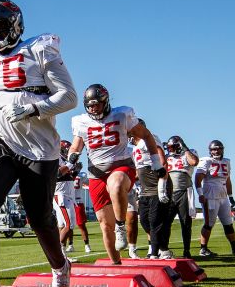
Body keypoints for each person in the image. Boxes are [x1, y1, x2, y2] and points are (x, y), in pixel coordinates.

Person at [0, 0, 79, 287]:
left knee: (40, 216)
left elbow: (69, 97)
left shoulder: (39, 49)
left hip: (38, 146)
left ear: (16, 24)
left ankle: (60, 266)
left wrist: (33, 108)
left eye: (1, 27)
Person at [68, 84, 163, 265]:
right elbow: (76, 146)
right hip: (96, 174)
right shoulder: (80, 121)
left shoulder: (121, 115)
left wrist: (156, 162)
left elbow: (147, 136)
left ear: (106, 102)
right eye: (90, 105)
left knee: (117, 183)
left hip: (122, 166)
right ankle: (116, 263)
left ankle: (121, 226)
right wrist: (70, 161)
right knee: (105, 225)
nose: (93, 109)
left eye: (96, 104)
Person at [195, 139, 235, 257]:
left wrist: (231, 196)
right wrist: (200, 194)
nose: (216, 151)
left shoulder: (226, 161)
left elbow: (228, 180)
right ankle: (203, 249)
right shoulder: (206, 161)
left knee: (228, 223)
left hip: (223, 196)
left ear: (222, 149)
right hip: (210, 196)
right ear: (210, 151)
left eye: (218, 148)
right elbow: (198, 178)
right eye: (214, 149)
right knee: (209, 224)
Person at [157, 135, 199, 258]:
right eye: (169, 147)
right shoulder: (166, 157)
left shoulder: (189, 153)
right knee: (165, 223)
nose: (171, 150)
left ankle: (187, 250)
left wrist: (185, 148)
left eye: (174, 147)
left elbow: (194, 162)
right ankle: (164, 250)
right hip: (169, 192)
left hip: (184, 191)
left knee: (186, 222)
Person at [132, 127, 168, 258]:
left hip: (155, 187)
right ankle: (163, 248)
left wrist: (162, 187)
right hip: (144, 190)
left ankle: (154, 252)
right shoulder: (136, 146)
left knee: (154, 222)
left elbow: (163, 161)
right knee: (144, 221)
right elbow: (139, 172)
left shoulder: (147, 139)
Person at [53, 140, 87, 256]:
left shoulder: (62, 159)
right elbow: (57, 174)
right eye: (66, 149)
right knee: (69, 225)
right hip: (61, 195)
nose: (68, 152)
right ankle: (58, 254)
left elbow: (67, 179)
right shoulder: (55, 157)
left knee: (64, 225)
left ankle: (61, 254)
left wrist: (75, 172)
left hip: (66, 195)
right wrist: (70, 164)